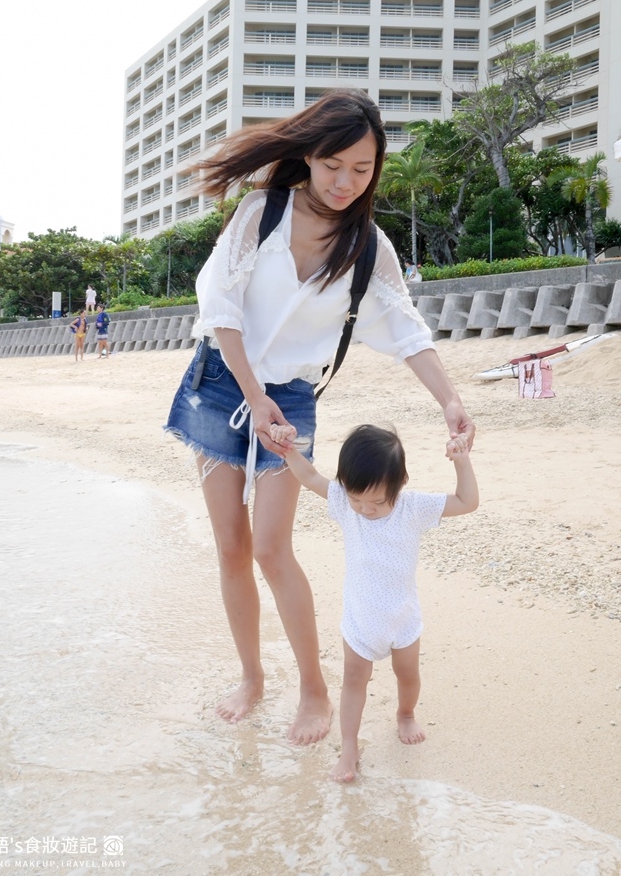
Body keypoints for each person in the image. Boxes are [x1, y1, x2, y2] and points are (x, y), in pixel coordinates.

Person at [164, 89, 474, 746]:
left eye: (362, 170)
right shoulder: (259, 214)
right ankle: (251, 675)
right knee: (232, 545)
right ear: (309, 153)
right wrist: (252, 393)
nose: (345, 182)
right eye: (335, 165)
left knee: (273, 546)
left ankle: (313, 688)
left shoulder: (369, 246)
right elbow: (220, 308)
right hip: (223, 379)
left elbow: (408, 330)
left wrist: (450, 400)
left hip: (292, 398)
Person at [273, 422, 479, 782]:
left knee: (408, 676)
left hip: (402, 618)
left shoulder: (413, 507)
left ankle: (405, 713)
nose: (365, 510)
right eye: (356, 500)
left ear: (400, 486)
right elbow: (309, 477)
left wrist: (461, 460)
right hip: (360, 618)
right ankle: (349, 748)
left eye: (377, 502)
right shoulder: (342, 500)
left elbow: (467, 502)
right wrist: (289, 450)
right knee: (354, 679)